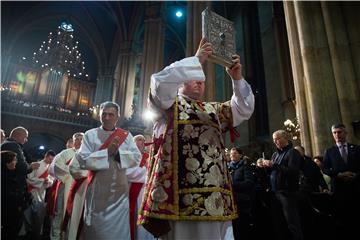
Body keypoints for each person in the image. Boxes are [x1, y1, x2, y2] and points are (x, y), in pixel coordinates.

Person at [138, 38, 255, 239]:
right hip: (179, 194)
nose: (200, 84)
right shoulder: (168, 105)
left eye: (203, 82)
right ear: (181, 82)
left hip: (216, 194)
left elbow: (243, 109)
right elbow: (159, 83)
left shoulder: (214, 110)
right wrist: (197, 59)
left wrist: (237, 79)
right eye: (195, 79)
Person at [75, 101, 141, 239]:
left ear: (117, 117)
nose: (106, 118)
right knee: (95, 229)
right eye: (103, 114)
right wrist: (106, 153)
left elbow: (136, 158)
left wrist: (117, 154)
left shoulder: (126, 136)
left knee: (118, 231)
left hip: (119, 192)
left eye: (111, 115)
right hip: (97, 190)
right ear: (99, 116)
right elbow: (83, 160)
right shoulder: (90, 134)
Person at [257, 130, 303, 240]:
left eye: (277, 138)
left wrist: (273, 165)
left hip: (287, 193)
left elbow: (293, 171)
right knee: (278, 223)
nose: (275, 141)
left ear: (285, 138)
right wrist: (263, 167)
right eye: (274, 139)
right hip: (275, 193)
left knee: (292, 223)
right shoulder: (275, 154)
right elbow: (271, 173)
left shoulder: (292, 152)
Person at [323, 123, 360, 238]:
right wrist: (339, 174)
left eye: (339, 132)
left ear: (345, 133)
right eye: (334, 133)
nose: (337, 135)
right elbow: (325, 168)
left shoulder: (356, 148)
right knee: (341, 218)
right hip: (339, 189)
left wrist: (355, 175)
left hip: (355, 188)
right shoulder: (329, 151)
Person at [48, 132, 84, 240]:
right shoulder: (66, 153)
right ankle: (55, 236)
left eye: (81, 139)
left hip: (81, 188)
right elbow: (57, 166)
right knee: (60, 212)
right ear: (73, 141)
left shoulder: (86, 154)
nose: (79, 141)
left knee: (76, 214)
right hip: (66, 185)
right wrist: (73, 173)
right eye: (76, 139)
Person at [126, 134, 153, 240]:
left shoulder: (149, 156)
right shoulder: (129, 156)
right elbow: (130, 174)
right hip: (131, 190)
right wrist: (147, 172)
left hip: (146, 192)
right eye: (138, 140)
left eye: (142, 140)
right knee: (133, 218)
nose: (140, 142)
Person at [26, 150, 56, 240]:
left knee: (39, 214)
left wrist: (48, 182)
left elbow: (52, 180)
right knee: (29, 213)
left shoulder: (51, 168)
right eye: (50, 159)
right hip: (32, 191)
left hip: (42, 192)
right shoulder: (36, 164)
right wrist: (43, 181)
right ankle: (28, 231)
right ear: (46, 157)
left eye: (52, 160)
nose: (51, 161)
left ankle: (38, 232)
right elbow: (29, 178)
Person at [228, 147, 256, 240]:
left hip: (242, 201)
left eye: (235, 153)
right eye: (231, 154)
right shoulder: (227, 168)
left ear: (240, 155)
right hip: (231, 202)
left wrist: (233, 185)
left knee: (243, 227)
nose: (232, 155)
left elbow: (249, 183)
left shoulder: (245, 167)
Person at [1, 150, 24, 239]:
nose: (16, 162)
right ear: (7, 162)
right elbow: (9, 195)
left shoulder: (12, 173)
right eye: (14, 160)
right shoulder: (5, 177)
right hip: (8, 211)